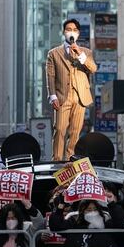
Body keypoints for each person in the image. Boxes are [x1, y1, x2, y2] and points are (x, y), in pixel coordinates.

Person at [46, 17, 98, 160]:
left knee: (75, 132)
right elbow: (50, 76)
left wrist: (80, 54)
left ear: (78, 34)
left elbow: (93, 68)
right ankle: (56, 160)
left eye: (74, 30)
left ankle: (71, 160)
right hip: (62, 97)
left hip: (80, 97)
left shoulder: (86, 52)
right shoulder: (54, 53)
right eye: (69, 29)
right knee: (60, 129)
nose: (71, 32)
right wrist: (53, 96)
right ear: (64, 32)